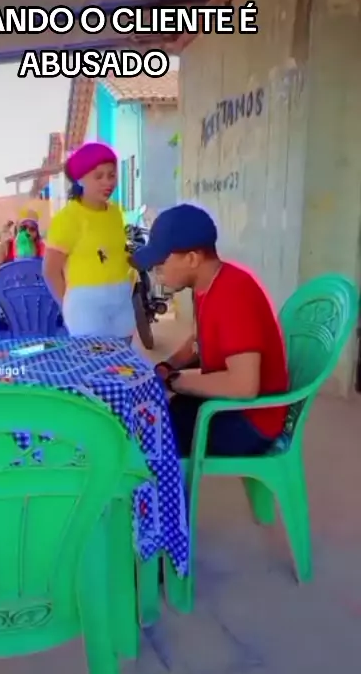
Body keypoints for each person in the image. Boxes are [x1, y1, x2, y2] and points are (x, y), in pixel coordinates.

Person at [132, 203, 289, 458]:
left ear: (192, 259)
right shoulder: (207, 286)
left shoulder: (233, 294)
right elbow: (198, 340)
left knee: (149, 439)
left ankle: (163, 485)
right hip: (229, 405)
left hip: (252, 420)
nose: (155, 272)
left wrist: (174, 381)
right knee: (149, 414)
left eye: (161, 263)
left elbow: (243, 385)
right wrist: (167, 366)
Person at [43, 142, 135, 339]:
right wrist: (68, 305)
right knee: (95, 356)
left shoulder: (115, 213)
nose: (107, 182)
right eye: (98, 176)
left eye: (111, 175)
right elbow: (50, 271)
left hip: (121, 299)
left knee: (124, 355)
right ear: (80, 179)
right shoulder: (67, 218)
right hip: (86, 306)